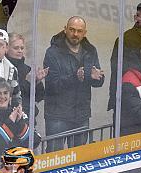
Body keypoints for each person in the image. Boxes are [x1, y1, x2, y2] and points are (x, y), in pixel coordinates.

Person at [43, 16, 104, 152]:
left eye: (79, 31)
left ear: (85, 33)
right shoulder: (52, 52)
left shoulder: (90, 50)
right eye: (72, 30)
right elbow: (53, 85)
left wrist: (97, 78)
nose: (75, 34)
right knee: (54, 157)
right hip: (57, 115)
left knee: (80, 156)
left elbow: (98, 80)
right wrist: (76, 76)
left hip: (81, 114)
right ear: (65, 29)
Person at [6, 33, 46, 117]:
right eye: (16, 48)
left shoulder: (27, 69)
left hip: (28, 116)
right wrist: (27, 82)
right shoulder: (4, 67)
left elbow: (39, 97)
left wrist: (37, 81)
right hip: (10, 115)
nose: (20, 51)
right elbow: (10, 95)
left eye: (22, 48)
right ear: (6, 48)